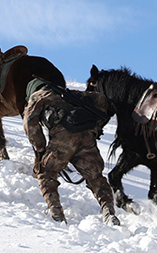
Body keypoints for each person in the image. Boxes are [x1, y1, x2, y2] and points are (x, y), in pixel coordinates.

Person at [22, 77, 119, 226]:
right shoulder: (68, 93)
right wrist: (96, 128)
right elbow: (100, 99)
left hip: (63, 139)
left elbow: (30, 122)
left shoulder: (37, 96)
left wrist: (40, 147)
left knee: (45, 172)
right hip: (86, 137)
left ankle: (56, 213)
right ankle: (109, 213)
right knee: (96, 177)